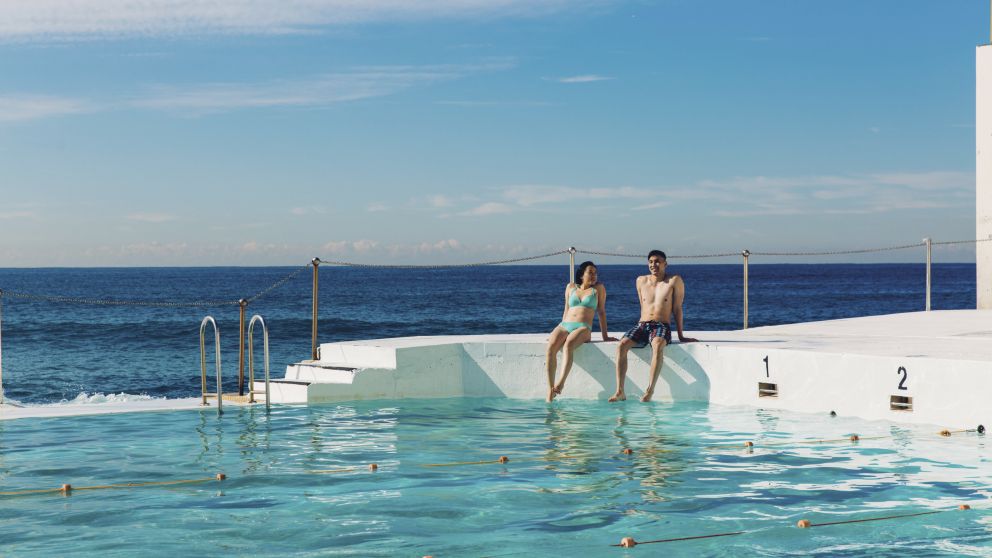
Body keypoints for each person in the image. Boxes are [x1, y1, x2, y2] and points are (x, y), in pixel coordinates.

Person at [609, 250, 698, 403]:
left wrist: (681, 335)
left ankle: (650, 390)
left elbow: (677, 309)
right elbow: (642, 305)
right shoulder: (640, 281)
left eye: (657, 261)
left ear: (665, 264)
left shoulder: (674, 281)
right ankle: (620, 391)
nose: (653, 264)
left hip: (661, 325)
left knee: (657, 344)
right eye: (650, 262)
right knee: (621, 345)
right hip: (642, 325)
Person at [545, 261, 617, 401]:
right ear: (582, 274)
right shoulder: (570, 287)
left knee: (568, 345)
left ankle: (560, 383)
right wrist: (559, 330)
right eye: (590, 272)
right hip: (565, 325)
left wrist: (605, 336)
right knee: (550, 348)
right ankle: (550, 389)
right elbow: (566, 309)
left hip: (583, 327)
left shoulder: (598, 289)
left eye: (595, 273)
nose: (594, 276)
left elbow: (601, 312)